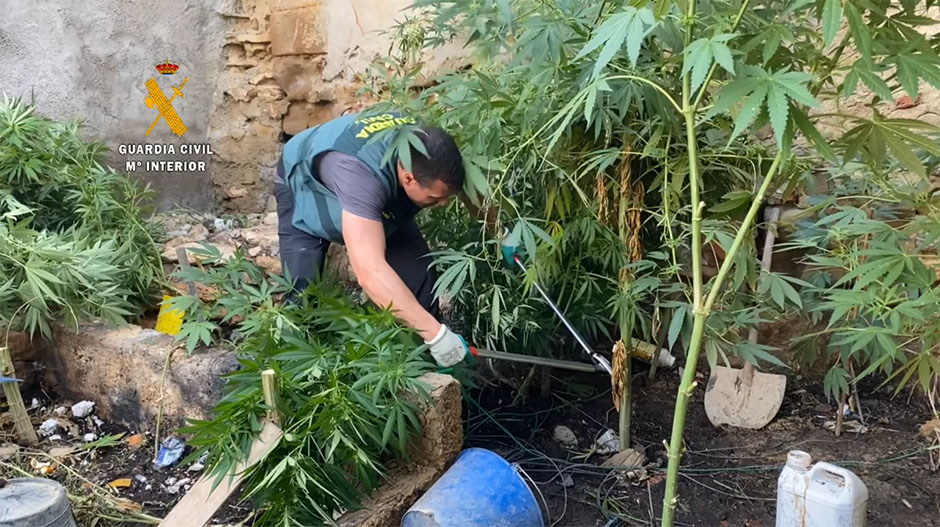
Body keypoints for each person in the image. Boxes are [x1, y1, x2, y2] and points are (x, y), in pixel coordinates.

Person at [273, 111, 474, 368]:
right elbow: (369, 272)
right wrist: (436, 336)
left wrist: (502, 233)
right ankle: (296, 373)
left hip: (376, 195)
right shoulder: (361, 177)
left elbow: (470, 189)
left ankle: (415, 369)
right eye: (435, 199)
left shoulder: (431, 151)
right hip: (303, 179)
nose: (444, 204)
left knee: (420, 279)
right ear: (409, 178)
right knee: (301, 294)